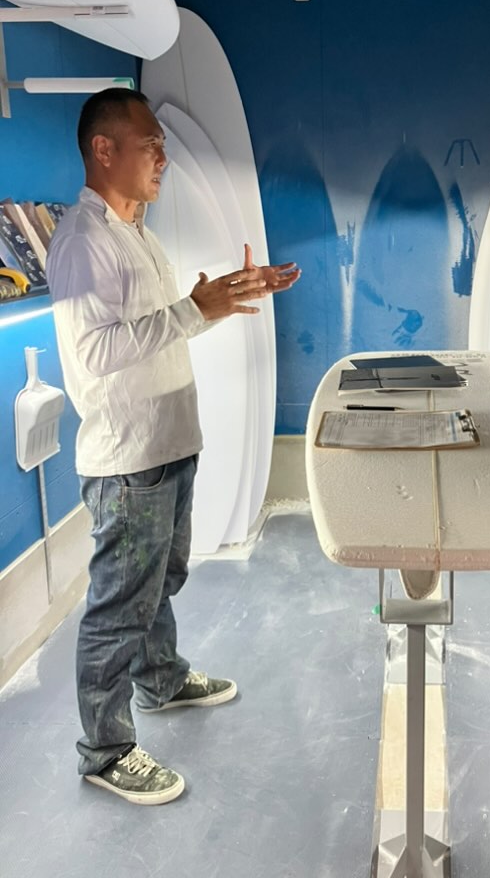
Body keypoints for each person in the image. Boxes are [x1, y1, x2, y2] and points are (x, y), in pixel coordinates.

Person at [46, 88, 301, 805]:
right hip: (128, 461)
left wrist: (221, 299)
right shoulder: (83, 241)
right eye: (152, 145)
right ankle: (104, 750)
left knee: (159, 582)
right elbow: (95, 355)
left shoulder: (135, 232)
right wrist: (194, 309)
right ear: (104, 149)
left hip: (167, 445)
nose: (164, 158)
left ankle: (158, 680)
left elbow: (160, 327)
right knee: (118, 608)